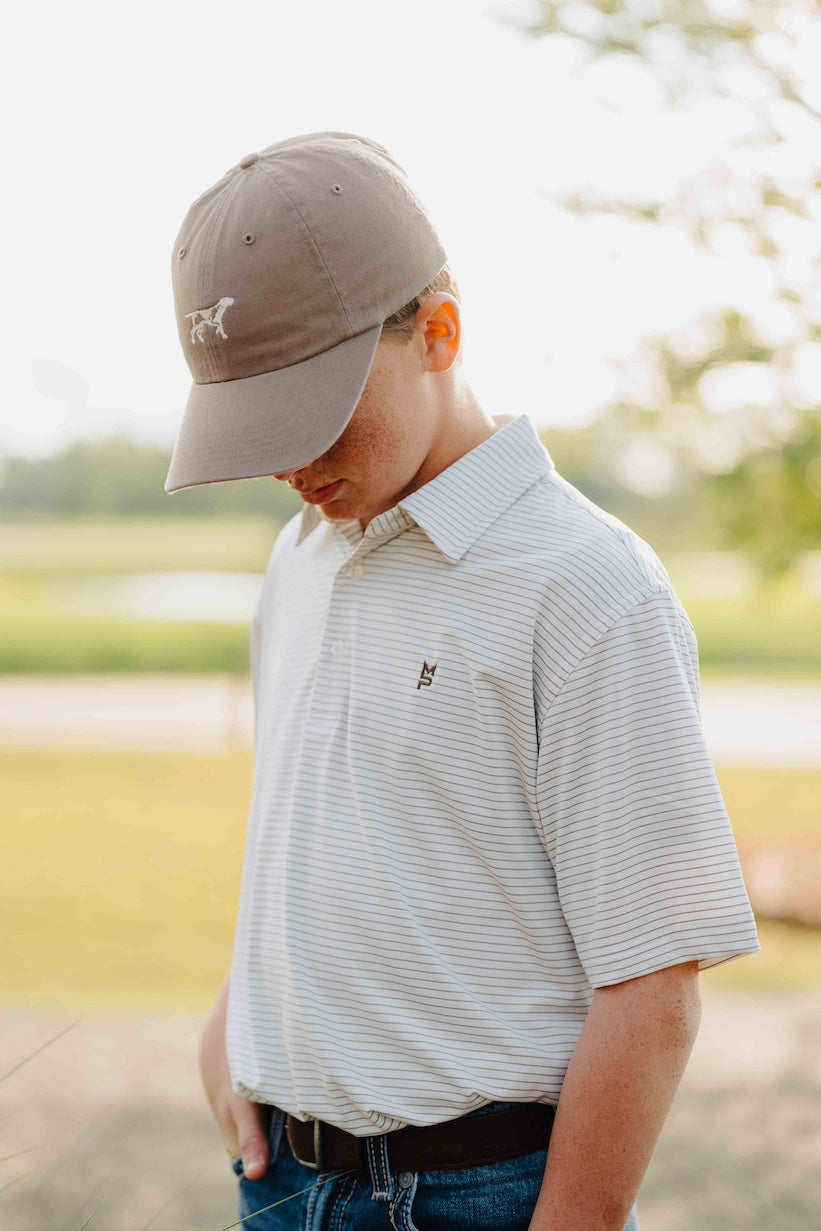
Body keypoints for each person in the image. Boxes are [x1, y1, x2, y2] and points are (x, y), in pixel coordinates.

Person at [165, 131, 760, 1231]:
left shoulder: (585, 585)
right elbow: (329, 835)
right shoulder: (298, 559)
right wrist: (234, 1020)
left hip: (476, 1196)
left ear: (437, 331)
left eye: (313, 413)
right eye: (257, 425)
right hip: (282, 1182)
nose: (289, 464)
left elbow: (653, 985)